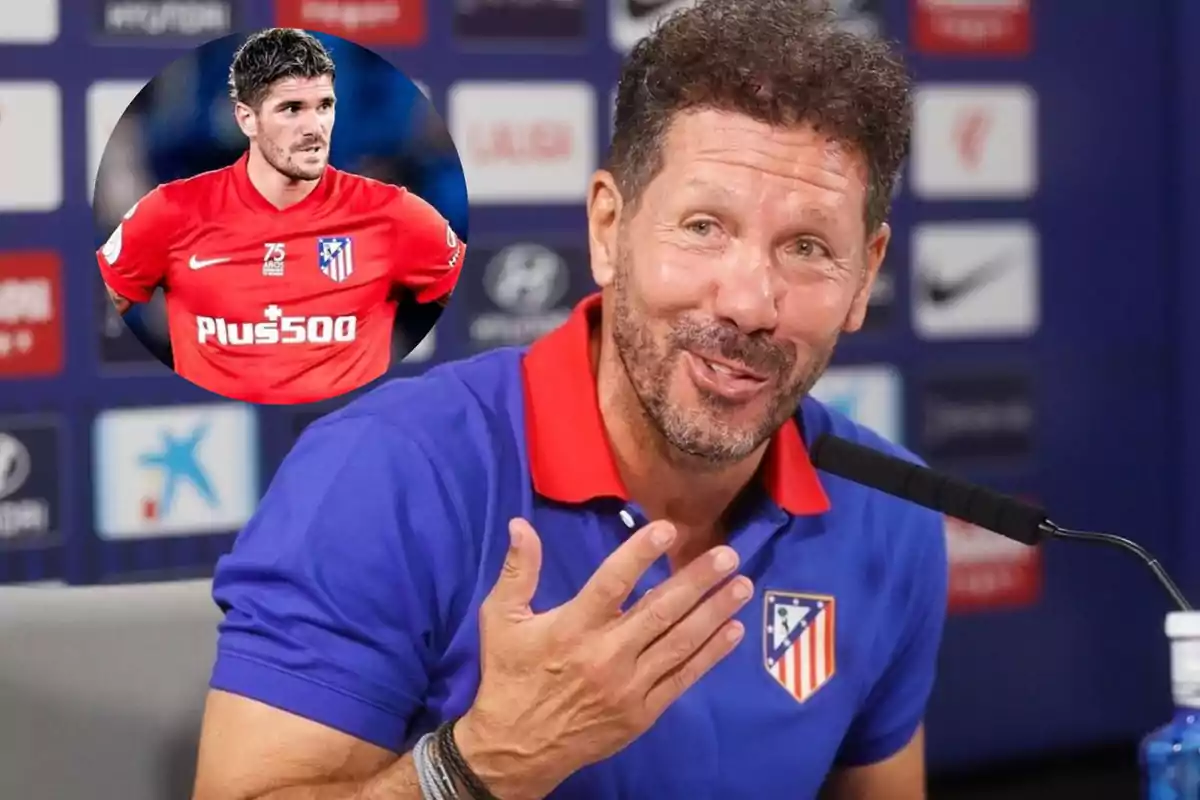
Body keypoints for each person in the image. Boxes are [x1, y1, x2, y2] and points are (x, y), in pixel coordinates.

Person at [193, 1, 947, 798]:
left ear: (864, 276)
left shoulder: (887, 513)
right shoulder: (389, 473)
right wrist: (481, 763)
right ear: (608, 228)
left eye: (807, 247)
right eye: (703, 227)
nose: (751, 303)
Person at [96, 28, 465, 405]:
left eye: (322, 107)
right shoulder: (171, 210)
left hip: (348, 428)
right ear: (246, 118)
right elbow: (102, 311)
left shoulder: (395, 211)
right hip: (224, 429)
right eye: (290, 109)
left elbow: (465, 314)